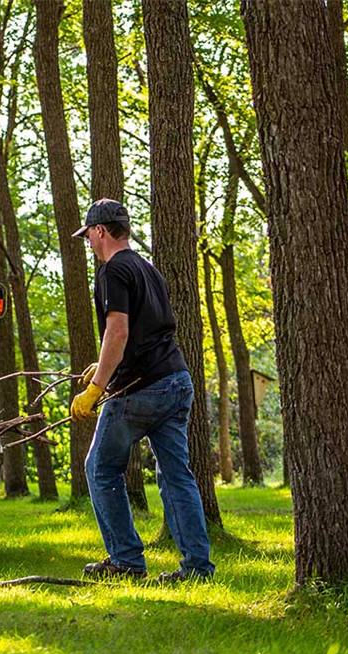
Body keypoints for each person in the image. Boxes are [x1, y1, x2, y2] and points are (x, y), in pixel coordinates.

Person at [69, 198, 215, 583]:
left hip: (140, 389)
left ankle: (126, 561)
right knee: (176, 475)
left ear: (100, 231)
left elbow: (118, 330)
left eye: (88, 236)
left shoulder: (113, 270)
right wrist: (100, 366)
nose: (88, 243)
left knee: (100, 468)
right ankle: (197, 568)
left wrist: (97, 387)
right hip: (176, 380)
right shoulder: (148, 269)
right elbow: (146, 331)